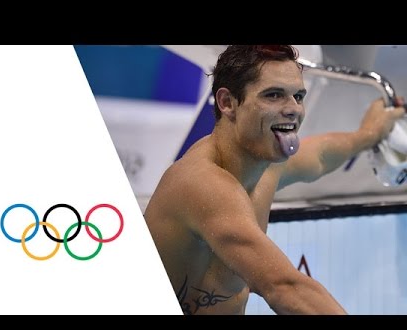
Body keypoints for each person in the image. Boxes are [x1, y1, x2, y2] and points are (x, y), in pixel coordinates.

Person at [144, 45, 406, 315]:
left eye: (298, 96)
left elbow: (321, 155)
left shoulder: (264, 162)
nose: (293, 109)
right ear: (227, 103)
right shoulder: (202, 184)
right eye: (274, 95)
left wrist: (368, 134)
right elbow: (284, 287)